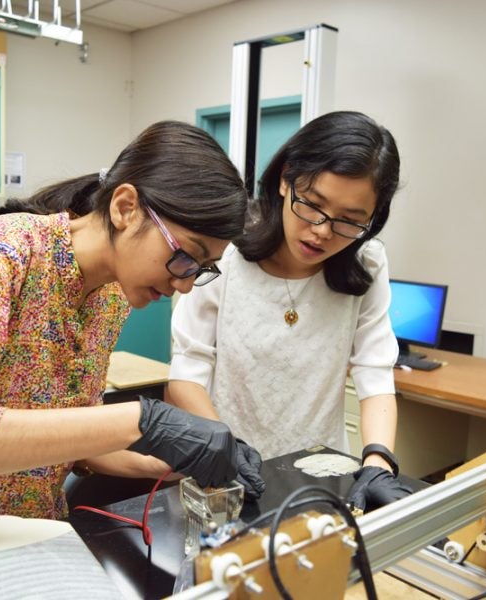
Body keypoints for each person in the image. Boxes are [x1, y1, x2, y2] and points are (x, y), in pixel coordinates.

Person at [0, 121, 255, 571]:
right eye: (185, 256)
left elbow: (67, 441)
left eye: (203, 268)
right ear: (126, 207)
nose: (186, 285)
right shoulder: (3, 253)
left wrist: (173, 462)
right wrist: (144, 420)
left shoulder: (109, 295)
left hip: (30, 547)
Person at [166, 111, 412, 511]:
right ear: (285, 179)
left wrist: (378, 461)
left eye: (350, 221)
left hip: (321, 472)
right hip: (226, 470)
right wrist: (227, 448)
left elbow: (374, 371)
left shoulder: (368, 263)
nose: (322, 230)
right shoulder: (225, 251)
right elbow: (186, 374)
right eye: (313, 205)